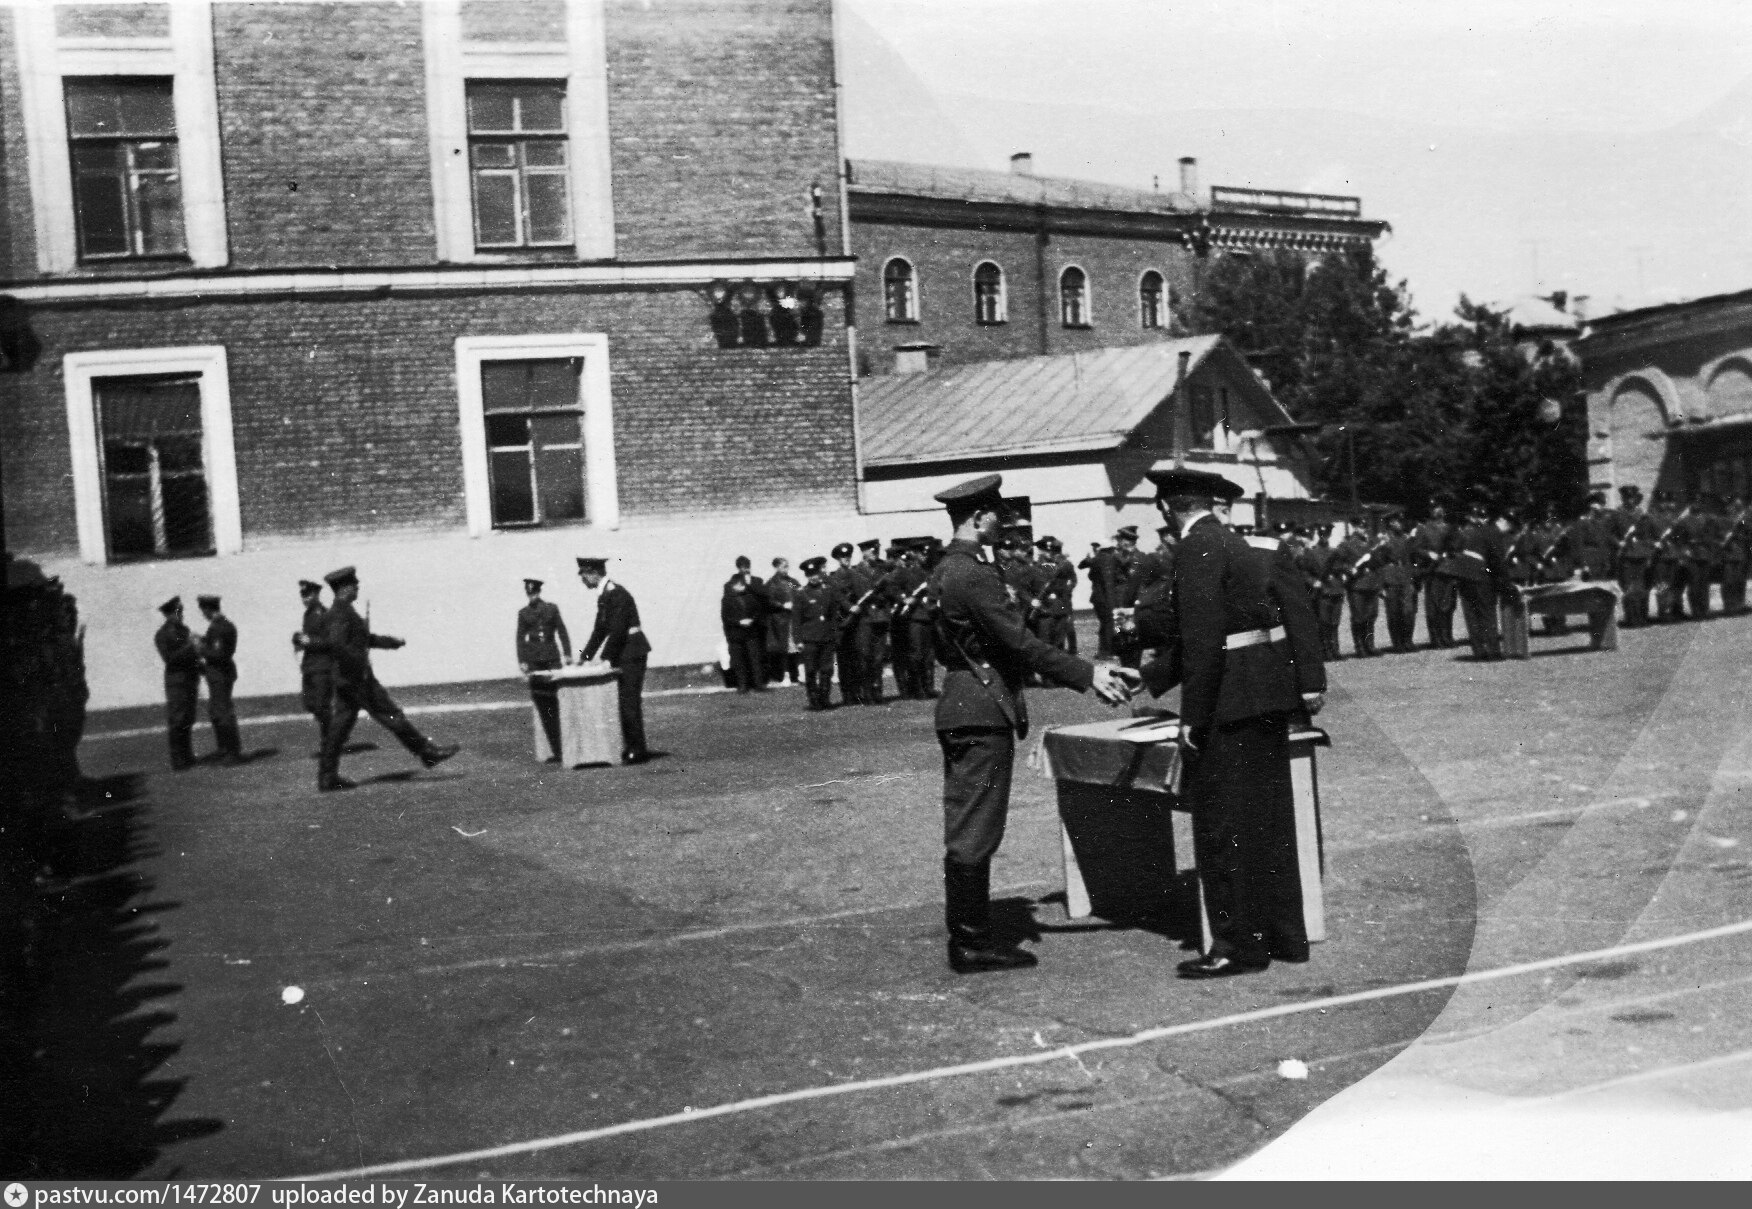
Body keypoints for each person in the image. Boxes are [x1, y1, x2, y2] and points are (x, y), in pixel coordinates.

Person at [929, 474, 1137, 973]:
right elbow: (1019, 642)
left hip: (966, 702)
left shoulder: (950, 569)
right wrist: (1089, 674)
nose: (1002, 524)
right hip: (980, 708)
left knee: (972, 823)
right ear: (979, 519)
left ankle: (971, 935)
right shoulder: (973, 575)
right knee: (975, 827)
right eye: (996, 516)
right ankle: (971, 942)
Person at [1137, 468, 1318, 978]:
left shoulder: (1195, 548)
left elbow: (1203, 640)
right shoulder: (1233, 543)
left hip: (1228, 704)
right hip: (1262, 696)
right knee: (1270, 821)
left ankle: (1237, 947)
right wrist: (1151, 677)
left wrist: (1191, 719)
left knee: (1224, 828)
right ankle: (1285, 935)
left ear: (1169, 509)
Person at [297, 566, 459, 791]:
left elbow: (362, 640)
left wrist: (391, 642)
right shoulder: (341, 614)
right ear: (344, 588)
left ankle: (327, 777)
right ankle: (426, 753)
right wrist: (359, 664)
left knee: (339, 729)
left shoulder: (342, 612)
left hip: (348, 680)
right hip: (357, 680)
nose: (357, 587)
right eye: (354, 584)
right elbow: (339, 646)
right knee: (391, 714)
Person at [577, 557, 652, 763]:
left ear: (594, 573)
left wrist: (606, 659)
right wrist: (584, 657)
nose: (582, 579)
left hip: (632, 651)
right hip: (623, 651)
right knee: (622, 702)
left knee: (629, 702)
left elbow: (618, 630)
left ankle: (637, 750)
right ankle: (630, 746)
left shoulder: (616, 594)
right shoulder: (604, 595)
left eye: (583, 574)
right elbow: (600, 629)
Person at [1438, 500, 1512, 660]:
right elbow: (1497, 562)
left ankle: (1478, 650)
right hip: (1478, 574)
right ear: (1501, 521)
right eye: (1509, 525)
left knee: (1471, 613)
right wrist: (1506, 585)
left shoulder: (1477, 530)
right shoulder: (1492, 532)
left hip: (1463, 573)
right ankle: (1493, 651)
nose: (1509, 530)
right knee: (1487, 612)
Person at [516, 577, 572, 760]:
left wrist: (568, 654)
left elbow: (562, 631)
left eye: (534, 593)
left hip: (552, 658)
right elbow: (520, 638)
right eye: (529, 593)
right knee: (542, 704)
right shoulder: (523, 613)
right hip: (534, 661)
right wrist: (522, 661)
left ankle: (566, 746)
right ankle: (554, 749)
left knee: (559, 700)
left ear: (539, 592)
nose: (532, 596)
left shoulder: (551, 609)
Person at [196, 594, 244, 765]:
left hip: (220, 675)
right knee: (217, 712)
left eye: (203, 611)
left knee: (223, 713)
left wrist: (200, 648)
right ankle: (225, 749)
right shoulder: (219, 626)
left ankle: (231, 752)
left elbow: (219, 654)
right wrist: (203, 641)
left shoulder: (220, 628)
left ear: (209, 609)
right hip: (218, 675)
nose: (203, 614)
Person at [155, 596, 202, 771]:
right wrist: (190, 646)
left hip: (189, 678)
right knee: (177, 719)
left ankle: (187, 755)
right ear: (169, 614)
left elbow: (192, 654)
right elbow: (170, 659)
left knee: (188, 717)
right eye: (178, 611)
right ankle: (178, 759)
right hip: (177, 680)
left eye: (181, 611)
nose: (181, 615)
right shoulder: (162, 634)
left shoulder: (183, 630)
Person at [850, 537, 898, 704]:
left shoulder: (883, 570)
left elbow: (892, 591)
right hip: (864, 619)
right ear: (864, 553)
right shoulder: (855, 572)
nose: (874, 554)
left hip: (881, 617)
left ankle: (878, 692)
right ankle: (866, 693)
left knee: (878, 658)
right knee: (864, 657)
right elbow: (854, 594)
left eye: (876, 551)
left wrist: (882, 595)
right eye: (871, 551)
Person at [794, 557, 842, 709]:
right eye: (810, 575)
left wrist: (834, 634)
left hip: (826, 636)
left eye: (815, 573)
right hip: (810, 639)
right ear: (806, 576)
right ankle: (814, 700)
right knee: (810, 670)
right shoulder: (801, 594)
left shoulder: (828, 590)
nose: (813, 577)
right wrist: (798, 640)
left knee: (827, 670)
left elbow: (834, 615)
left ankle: (824, 698)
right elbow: (796, 620)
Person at [1411, 503, 1457, 648]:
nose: (1439, 511)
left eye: (1441, 508)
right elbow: (1416, 549)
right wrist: (1428, 554)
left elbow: (1456, 547)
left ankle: (1447, 636)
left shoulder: (1449, 528)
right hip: (1432, 571)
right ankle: (1436, 638)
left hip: (1448, 570)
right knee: (1434, 606)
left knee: (1448, 605)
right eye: (1436, 509)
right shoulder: (1423, 529)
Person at [1612, 485, 1658, 627]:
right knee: (1629, 588)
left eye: (1632, 498)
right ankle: (1631, 618)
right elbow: (1609, 534)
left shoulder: (1643, 515)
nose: (1630, 501)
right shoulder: (1616, 514)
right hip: (1626, 555)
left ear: (1636, 499)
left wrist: (1647, 546)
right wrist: (1618, 542)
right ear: (1623, 499)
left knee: (1642, 587)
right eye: (1627, 498)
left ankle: (1643, 617)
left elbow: (1652, 535)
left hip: (1642, 555)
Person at [296, 579, 334, 743]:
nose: (305, 599)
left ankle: (331, 738)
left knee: (320, 705)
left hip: (322, 667)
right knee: (309, 704)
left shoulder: (324, 614)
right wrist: (298, 639)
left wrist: (310, 641)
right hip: (310, 666)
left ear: (317, 594)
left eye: (308, 595)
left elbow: (331, 641)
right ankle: (334, 732)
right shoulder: (308, 615)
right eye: (302, 595)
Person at [826, 542, 863, 705]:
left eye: (848, 557)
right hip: (842, 622)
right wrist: (850, 607)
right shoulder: (833, 577)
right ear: (838, 559)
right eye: (843, 557)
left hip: (857, 622)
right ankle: (847, 694)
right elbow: (838, 597)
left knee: (857, 659)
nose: (846, 560)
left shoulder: (856, 574)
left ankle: (858, 693)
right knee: (844, 661)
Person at [720, 575, 766, 693]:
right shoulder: (727, 600)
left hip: (751, 633)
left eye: (743, 585)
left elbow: (758, 611)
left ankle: (759, 685)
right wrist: (739, 622)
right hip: (735, 634)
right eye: (739, 585)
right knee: (739, 661)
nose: (742, 587)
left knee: (755, 660)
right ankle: (742, 685)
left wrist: (752, 620)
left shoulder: (750, 597)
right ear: (734, 586)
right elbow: (726, 618)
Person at [1380, 516, 1418, 652]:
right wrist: (1382, 585)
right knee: (1394, 612)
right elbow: (1379, 562)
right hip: (1391, 577)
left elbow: (1413, 558)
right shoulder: (1384, 539)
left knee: (1408, 612)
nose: (1400, 524)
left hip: (1406, 577)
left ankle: (1408, 640)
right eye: (1397, 522)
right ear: (1391, 523)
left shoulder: (1407, 539)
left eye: (1401, 522)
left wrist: (1413, 578)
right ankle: (1397, 643)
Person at [764, 557, 801, 684]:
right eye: (783, 566)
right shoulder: (772, 583)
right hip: (781, 621)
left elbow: (799, 592)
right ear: (777, 567)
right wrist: (783, 605)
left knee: (796, 647)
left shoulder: (791, 581)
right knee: (783, 649)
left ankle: (797, 675)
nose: (786, 569)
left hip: (794, 618)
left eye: (787, 566)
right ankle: (785, 675)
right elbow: (768, 600)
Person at [1720, 496, 1750, 615]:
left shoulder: (1743, 520)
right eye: (1732, 506)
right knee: (1728, 581)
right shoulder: (1722, 520)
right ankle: (1728, 606)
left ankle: (1739, 604)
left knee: (1740, 580)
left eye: (1738, 506)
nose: (1733, 509)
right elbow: (1719, 536)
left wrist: (1740, 535)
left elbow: (1748, 534)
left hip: (1741, 553)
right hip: (1728, 554)